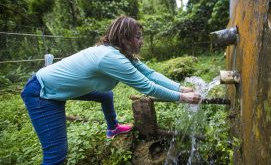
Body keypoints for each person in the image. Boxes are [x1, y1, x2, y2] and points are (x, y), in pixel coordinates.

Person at [21, 16, 201, 164]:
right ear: (124, 38)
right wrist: (182, 98)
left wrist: (181, 88)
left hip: (58, 86)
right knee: (56, 155)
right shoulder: (110, 57)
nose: (142, 41)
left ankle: (113, 128)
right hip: (42, 93)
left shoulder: (120, 53)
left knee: (105, 95)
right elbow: (148, 86)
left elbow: (151, 74)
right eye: (138, 37)